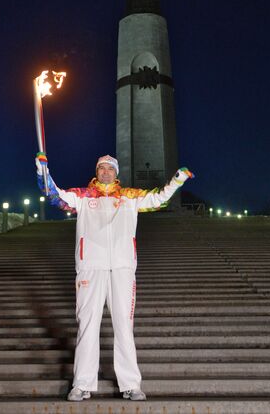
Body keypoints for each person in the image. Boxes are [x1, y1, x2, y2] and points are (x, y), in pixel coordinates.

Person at [36, 153, 194, 401]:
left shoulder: (129, 196)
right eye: (102, 168)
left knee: (124, 326)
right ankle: (82, 383)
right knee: (88, 325)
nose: (106, 172)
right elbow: (53, 195)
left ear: (116, 172)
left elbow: (159, 200)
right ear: (96, 171)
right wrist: (42, 169)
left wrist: (177, 180)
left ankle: (131, 384)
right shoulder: (82, 196)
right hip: (90, 267)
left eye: (110, 168)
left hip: (122, 268)